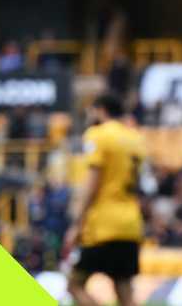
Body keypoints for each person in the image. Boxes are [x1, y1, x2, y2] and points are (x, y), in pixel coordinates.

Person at [64, 95, 146, 306]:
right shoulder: (135, 138)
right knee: (125, 292)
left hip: (103, 224)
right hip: (131, 224)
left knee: (74, 285)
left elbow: (92, 185)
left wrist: (76, 223)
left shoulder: (98, 135)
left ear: (100, 110)